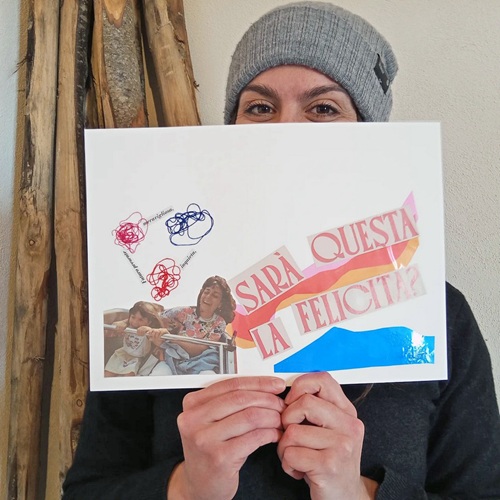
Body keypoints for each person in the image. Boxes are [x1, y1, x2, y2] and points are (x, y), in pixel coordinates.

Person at [62, 3, 500, 498]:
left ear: (372, 138)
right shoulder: (159, 305)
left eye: (324, 108)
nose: (285, 129)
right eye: (260, 107)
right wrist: (184, 487)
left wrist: (358, 492)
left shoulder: (437, 316)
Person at [148, 275, 237, 375]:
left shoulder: (219, 322)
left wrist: (171, 337)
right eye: (206, 292)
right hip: (174, 358)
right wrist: (160, 332)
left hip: (200, 362)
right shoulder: (183, 311)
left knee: (208, 375)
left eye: (215, 296)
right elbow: (154, 317)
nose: (208, 297)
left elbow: (200, 349)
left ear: (220, 303)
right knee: (159, 374)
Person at [103, 300, 164, 377]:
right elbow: (118, 325)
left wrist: (148, 329)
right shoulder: (128, 325)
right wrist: (120, 325)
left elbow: (156, 334)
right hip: (122, 354)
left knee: (128, 376)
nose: (135, 322)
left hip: (135, 358)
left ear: (149, 322)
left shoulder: (148, 331)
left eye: (140, 320)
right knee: (108, 374)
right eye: (133, 317)